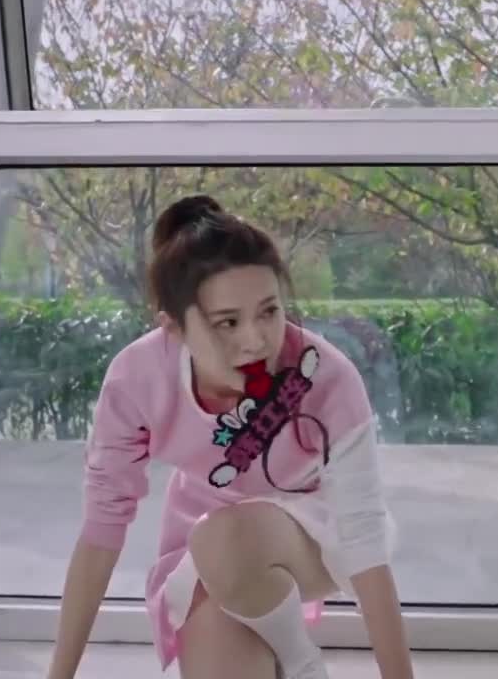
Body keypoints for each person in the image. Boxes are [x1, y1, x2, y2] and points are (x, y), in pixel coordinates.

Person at [45, 195, 414, 679]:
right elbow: (101, 531)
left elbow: (362, 537)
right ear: (174, 327)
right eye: (228, 323)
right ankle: (294, 658)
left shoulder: (326, 377)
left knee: (225, 537)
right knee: (217, 548)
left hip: (314, 534)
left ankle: (299, 663)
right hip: (202, 547)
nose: (256, 340)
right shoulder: (137, 379)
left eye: (269, 312)